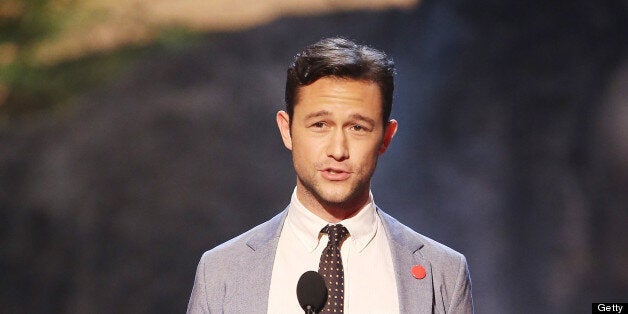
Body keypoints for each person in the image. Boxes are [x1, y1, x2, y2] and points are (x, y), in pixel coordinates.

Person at [187, 37, 473, 313]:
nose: (338, 150)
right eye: (320, 124)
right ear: (287, 130)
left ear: (386, 137)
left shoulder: (443, 272)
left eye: (357, 128)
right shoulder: (222, 270)